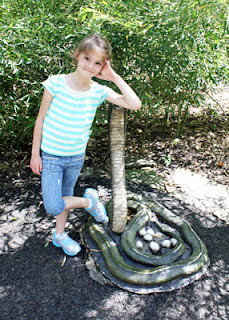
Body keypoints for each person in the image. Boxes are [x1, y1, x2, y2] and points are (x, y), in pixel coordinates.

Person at [30, 33, 141, 256]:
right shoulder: (55, 84)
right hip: (51, 156)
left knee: (65, 195)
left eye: (98, 63)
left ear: (103, 66)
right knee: (53, 205)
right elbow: (40, 119)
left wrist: (114, 77)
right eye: (87, 59)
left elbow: (134, 104)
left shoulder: (98, 91)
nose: (91, 66)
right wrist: (35, 154)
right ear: (78, 55)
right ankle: (89, 203)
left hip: (75, 156)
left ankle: (60, 235)